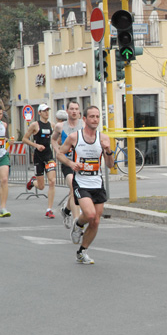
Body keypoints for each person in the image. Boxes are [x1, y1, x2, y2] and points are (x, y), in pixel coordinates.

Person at [56, 105, 114, 265]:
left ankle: (82, 252)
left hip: (97, 181)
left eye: (97, 117)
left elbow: (110, 165)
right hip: (81, 182)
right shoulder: (75, 137)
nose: (95, 119)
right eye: (92, 117)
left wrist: (108, 150)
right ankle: (78, 224)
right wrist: (71, 163)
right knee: (90, 215)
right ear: (85, 119)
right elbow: (60, 153)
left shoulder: (104, 138)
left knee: (96, 221)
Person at [51, 101, 83, 229]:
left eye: (76, 109)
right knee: (74, 188)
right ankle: (76, 222)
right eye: (72, 109)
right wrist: (57, 150)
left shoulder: (84, 125)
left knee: (74, 192)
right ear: (68, 111)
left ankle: (66, 211)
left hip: (80, 163)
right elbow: (53, 139)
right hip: (67, 162)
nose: (74, 111)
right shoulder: (60, 126)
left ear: (79, 112)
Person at [22, 104, 57, 218]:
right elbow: (24, 139)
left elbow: (56, 138)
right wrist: (36, 145)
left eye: (48, 110)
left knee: (52, 181)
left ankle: (49, 209)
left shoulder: (52, 125)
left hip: (49, 156)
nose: (47, 113)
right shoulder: (35, 125)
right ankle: (33, 182)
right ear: (39, 113)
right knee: (41, 186)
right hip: (38, 157)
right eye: (44, 111)